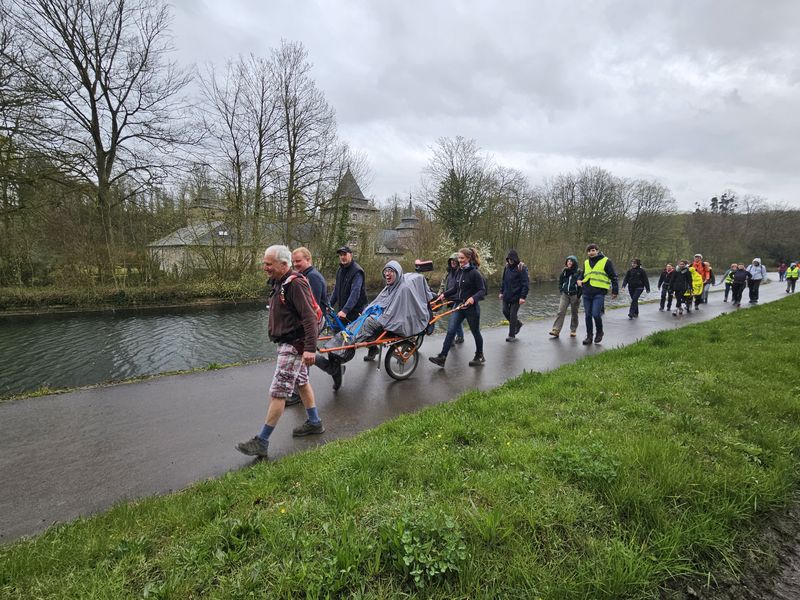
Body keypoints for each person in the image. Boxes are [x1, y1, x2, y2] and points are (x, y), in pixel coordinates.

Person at [236, 245, 323, 458]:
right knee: (301, 382)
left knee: (278, 391)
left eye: (269, 264)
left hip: (294, 345)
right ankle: (314, 422)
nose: (264, 267)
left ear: (284, 264)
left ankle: (262, 441)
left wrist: (310, 348)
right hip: (288, 343)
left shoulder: (295, 284)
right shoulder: (279, 282)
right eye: (264, 263)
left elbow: (310, 318)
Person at [316, 260, 435, 388]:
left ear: (398, 273)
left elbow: (395, 313)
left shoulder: (403, 289)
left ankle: (337, 355)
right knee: (352, 326)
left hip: (384, 321)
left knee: (356, 334)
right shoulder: (390, 286)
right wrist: (367, 311)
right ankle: (335, 348)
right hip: (376, 317)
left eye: (391, 271)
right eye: (386, 271)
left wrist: (376, 316)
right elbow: (378, 302)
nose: (387, 274)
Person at [285, 247, 328, 406]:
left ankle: (298, 394)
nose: (295, 264)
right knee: (303, 354)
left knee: (304, 354)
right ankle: (333, 369)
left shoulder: (313, 278)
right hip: (306, 321)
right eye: (293, 261)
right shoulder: (304, 276)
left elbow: (311, 307)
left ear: (308, 260)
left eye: (298, 261)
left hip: (314, 321)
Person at [429, 247, 487, 367]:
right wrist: (443, 295)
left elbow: (482, 290)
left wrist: (472, 298)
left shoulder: (475, 273)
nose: (460, 261)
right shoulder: (459, 271)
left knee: (475, 332)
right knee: (451, 330)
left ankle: (479, 355)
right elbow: (455, 288)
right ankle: (442, 357)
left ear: (468, 258)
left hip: (471, 308)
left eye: (462, 258)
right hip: (459, 305)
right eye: (459, 258)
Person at [577, 243, 618, 345]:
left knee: (595, 314)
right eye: (589, 251)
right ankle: (589, 336)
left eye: (593, 250)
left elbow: (613, 276)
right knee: (587, 316)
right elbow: (583, 275)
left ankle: (599, 332)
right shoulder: (586, 262)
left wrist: (615, 290)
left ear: (597, 251)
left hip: (599, 293)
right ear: (587, 252)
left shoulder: (606, 261)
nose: (591, 252)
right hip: (586, 292)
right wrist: (579, 280)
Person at [329, 246, 367, 323]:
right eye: (340, 255)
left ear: (351, 255)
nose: (342, 257)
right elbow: (336, 290)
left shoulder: (357, 271)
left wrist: (345, 310)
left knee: (349, 334)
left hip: (355, 314)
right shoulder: (340, 270)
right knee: (336, 331)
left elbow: (355, 293)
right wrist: (329, 305)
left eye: (345, 254)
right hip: (342, 312)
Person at [499, 249, 529, 342]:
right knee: (505, 311)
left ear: (515, 259)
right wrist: (501, 292)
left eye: (512, 259)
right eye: (509, 259)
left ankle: (511, 335)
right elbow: (504, 281)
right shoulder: (506, 267)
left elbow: (526, 283)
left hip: (517, 297)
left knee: (512, 315)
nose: (510, 261)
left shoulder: (521, 268)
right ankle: (518, 324)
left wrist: (523, 297)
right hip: (506, 295)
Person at [549, 255, 582, 337]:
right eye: (568, 261)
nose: (569, 262)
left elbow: (581, 284)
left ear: (574, 263)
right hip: (565, 295)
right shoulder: (564, 271)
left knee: (574, 313)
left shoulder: (579, 272)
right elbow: (560, 281)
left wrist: (579, 294)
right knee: (560, 311)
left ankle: (573, 330)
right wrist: (561, 290)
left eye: (571, 261)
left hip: (575, 295)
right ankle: (556, 330)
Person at [438, 253, 464, 344]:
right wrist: (440, 295)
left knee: (453, 319)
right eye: (451, 261)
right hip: (448, 297)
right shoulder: (448, 272)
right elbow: (443, 284)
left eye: (454, 260)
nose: (453, 262)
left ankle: (451, 339)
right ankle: (460, 336)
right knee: (456, 319)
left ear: (457, 261)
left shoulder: (460, 272)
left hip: (457, 298)